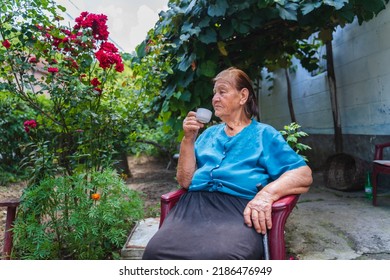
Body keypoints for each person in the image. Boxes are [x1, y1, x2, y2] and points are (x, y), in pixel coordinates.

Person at [142, 67, 313, 260]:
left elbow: (302, 174)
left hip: (237, 212)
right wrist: (188, 139)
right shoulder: (208, 135)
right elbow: (185, 181)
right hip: (192, 209)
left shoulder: (264, 134)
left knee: (224, 257)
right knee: (155, 253)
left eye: (222, 92)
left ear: (243, 96)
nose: (215, 98)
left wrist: (266, 195)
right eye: (214, 93)